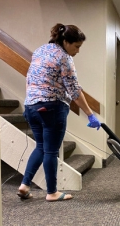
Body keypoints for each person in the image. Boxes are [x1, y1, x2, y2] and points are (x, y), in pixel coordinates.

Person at [17, 23, 100, 202]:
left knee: (40, 146)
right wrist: (90, 114)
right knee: (51, 151)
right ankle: (52, 192)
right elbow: (74, 90)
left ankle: (24, 185)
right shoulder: (64, 58)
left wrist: (28, 102)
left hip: (32, 106)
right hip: (52, 107)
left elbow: (30, 77)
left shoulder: (40, 51)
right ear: (66, 41)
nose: (78, 51)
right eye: (76, 46)